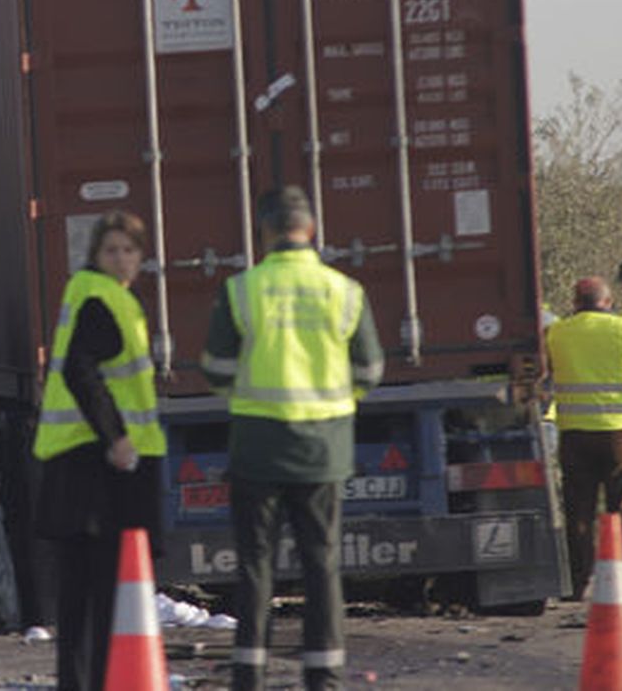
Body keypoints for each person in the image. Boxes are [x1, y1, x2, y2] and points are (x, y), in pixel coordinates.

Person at [201, 187, 383, 691]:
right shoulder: (343, 290)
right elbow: (369, 369)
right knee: (322, 563)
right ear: (313, 229)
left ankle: (250, 673)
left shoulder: (243, 289)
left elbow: (215, 368)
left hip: (257, 448)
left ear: (264, 230)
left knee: (255, 566)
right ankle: (324, 674)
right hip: (323, 451)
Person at [32, 210, 166, 691]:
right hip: (97, 468)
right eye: (112, 250)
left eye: (129, 250)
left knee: (80, 597)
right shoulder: (101, 299)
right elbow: (80, 372)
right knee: (97, 594)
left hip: (79, 463)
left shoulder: (101, 295)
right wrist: (117, 436)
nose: (122, 259)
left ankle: (83, 681)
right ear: (95, 255)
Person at [544, 276, 622, 600]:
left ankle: (576, 583)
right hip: (619, 434)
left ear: (574, 303)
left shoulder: (556, 333)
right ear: (608, 302)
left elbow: (543, 377)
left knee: (578, 513)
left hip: (574, 435)